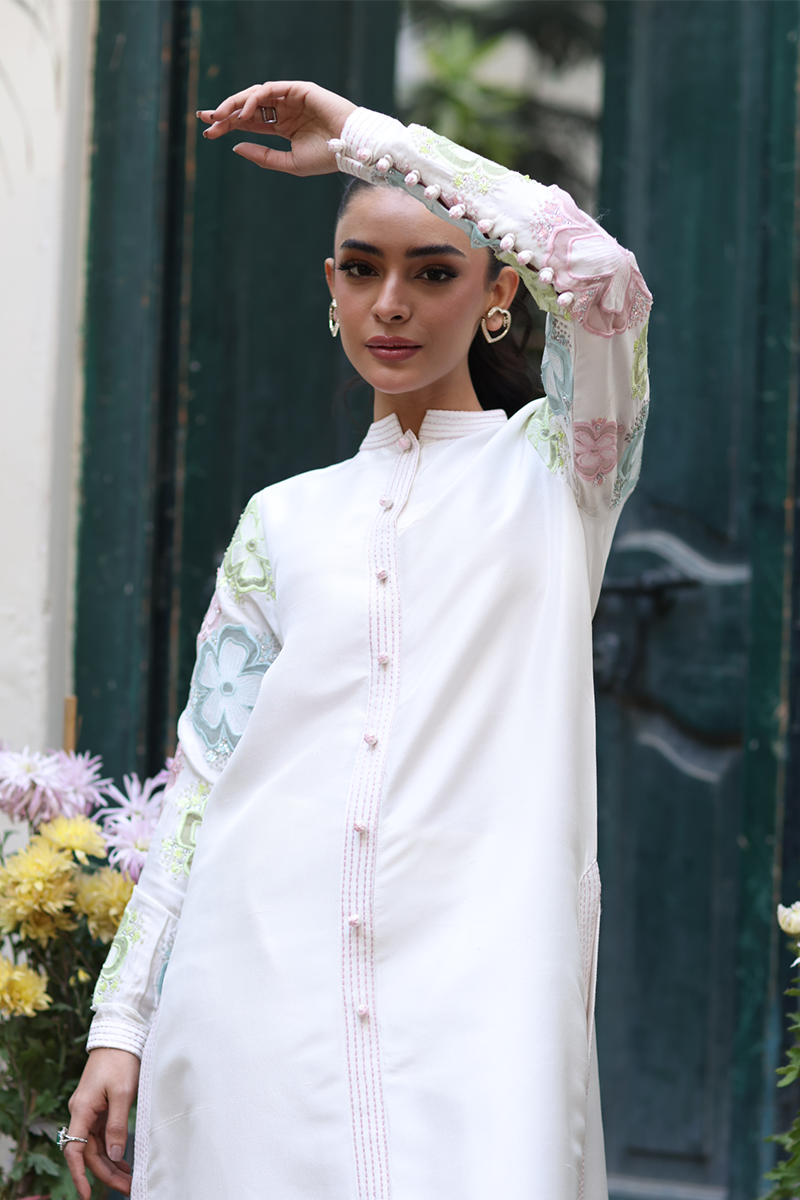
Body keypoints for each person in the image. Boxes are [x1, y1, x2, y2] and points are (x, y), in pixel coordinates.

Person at [64, 80, 651, 1200]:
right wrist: (122, 1021)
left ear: (497, 293)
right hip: (254, 1002)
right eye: (360, 269)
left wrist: (369, 145)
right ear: (328, 288)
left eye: (432, 272)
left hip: (480, 1010)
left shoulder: (558, 474)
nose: (391, 304)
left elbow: (603, 279)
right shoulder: (280, 522)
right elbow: (204, 780)